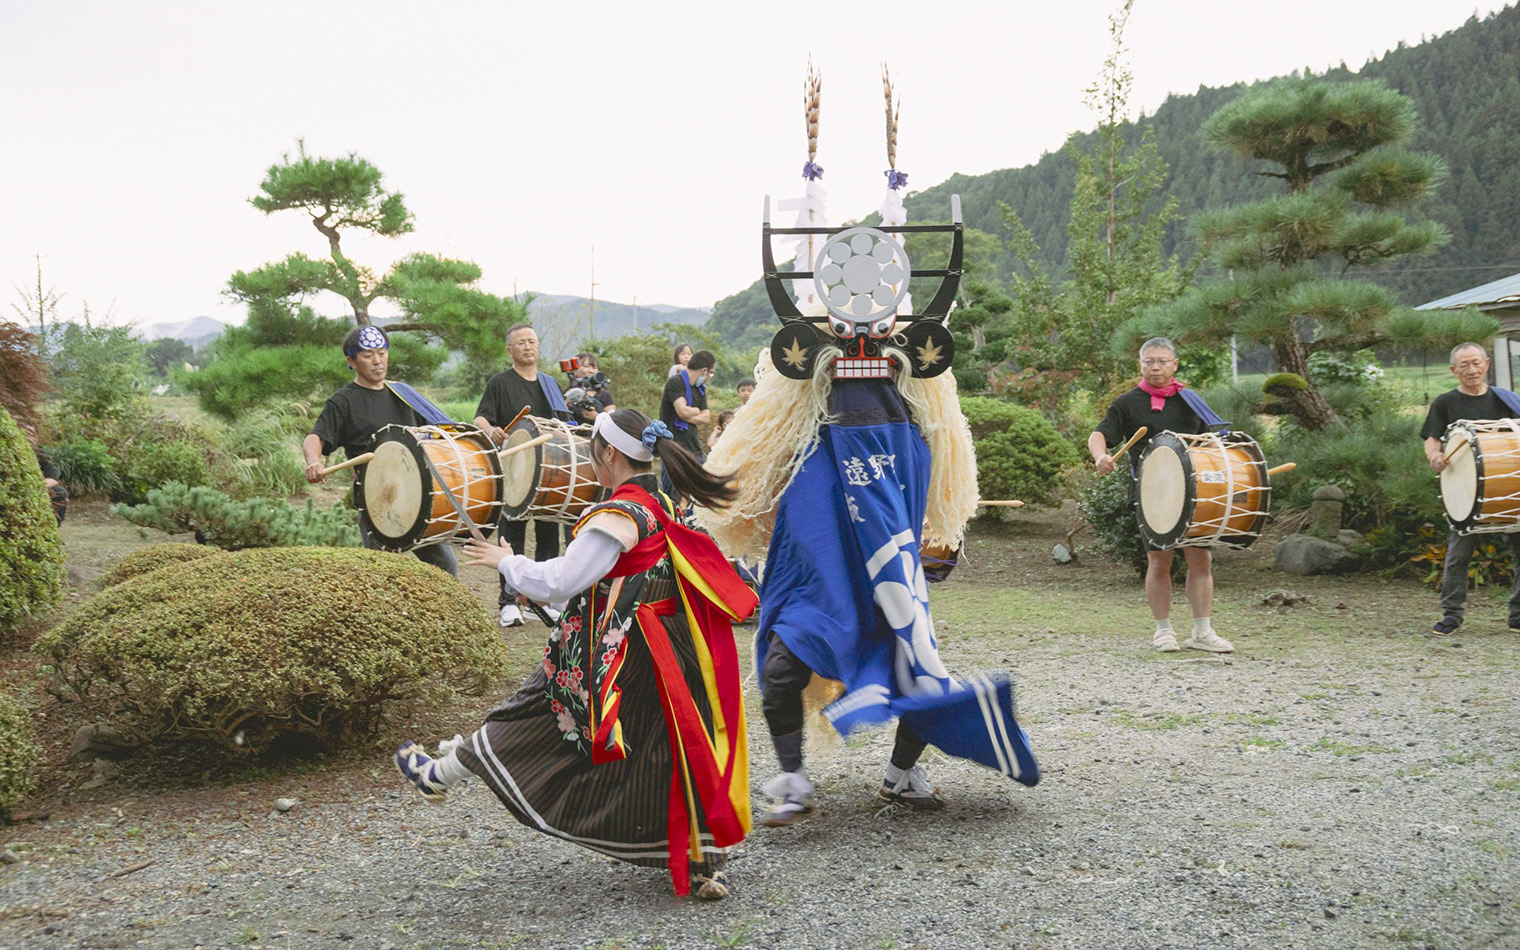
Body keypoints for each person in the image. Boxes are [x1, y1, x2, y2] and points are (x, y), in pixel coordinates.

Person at [393, 409, 756, 899]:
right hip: (671, 647)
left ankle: (435, 774)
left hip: (619, 650)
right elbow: (618, 579)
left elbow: (567, 578)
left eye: (592, 453)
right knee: (673, 748)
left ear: (608, 453)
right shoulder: (661, 499)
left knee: (533, 712)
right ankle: (703, 863)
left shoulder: (617, 513)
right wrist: (534, 586)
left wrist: (509, 562)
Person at [1088, 336, 1234, 654]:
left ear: (1174, 364)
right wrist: (1101, 456)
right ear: (1140, 365)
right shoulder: (1126, 403)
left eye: (1162, 361)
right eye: (1149, 361)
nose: (1155, 367)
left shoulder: (1191, 401)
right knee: (1159, 561)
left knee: (1200, 560)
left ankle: (1202, 631)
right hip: (1151, 494)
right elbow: (1099, 434)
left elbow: (1216, 440)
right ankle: (1164, 631)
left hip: (1194, 494)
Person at [303, 326, 457, 576]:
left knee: (445, 565)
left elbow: (438, 432)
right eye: (367, 355)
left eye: (382, 353)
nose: (377, 361)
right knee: (380, 571)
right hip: (376, 497)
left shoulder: (404, 394)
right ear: (351, 361)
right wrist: (313, 462)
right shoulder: (343, 402)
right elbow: (314, 438)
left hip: (416, 493)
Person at [474, 323, 575, 626]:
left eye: (532, 341)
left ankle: (538, 599)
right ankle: (508, 603)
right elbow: (481, 416)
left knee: (548, 535)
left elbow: (563, 425)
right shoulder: (500, 383)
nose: (528, 347)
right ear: (510, 350)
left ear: (538, 346)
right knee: (512, 535)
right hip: (515, 469)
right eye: (521, 343)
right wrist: (489, 429)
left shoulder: (549, 384)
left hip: (548, 471)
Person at [1421, 342, 1520, 636]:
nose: (1472, 370)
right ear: (1454, 370)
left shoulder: (1507, 400)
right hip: (1465, 493)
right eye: (1464, 365)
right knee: (1458, 556)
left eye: (1476, 363)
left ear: (1487, 364)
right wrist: (1435, 456)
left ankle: (1517, 616)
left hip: (1509, 487)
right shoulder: (1445, 402)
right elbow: (1431, 437)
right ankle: (1452, 615)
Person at [658, 349, 714, 503]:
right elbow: (682, 411)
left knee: (702, 492)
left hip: (693, 446)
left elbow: (706, 417)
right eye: (710, 373)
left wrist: (691, 412)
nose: (709, 377)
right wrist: (696, 411)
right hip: (673, 446)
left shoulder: (699, 389)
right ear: (704, 370)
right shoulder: (676, 382)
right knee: (673, 496)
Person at [21, 422, 67, 524]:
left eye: (33, 435)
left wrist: (35, 486)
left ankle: (52, 530)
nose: (31, 438)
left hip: (35, 488)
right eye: (27, 434)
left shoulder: (40, 455)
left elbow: (53, 479)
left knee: (59, 492)